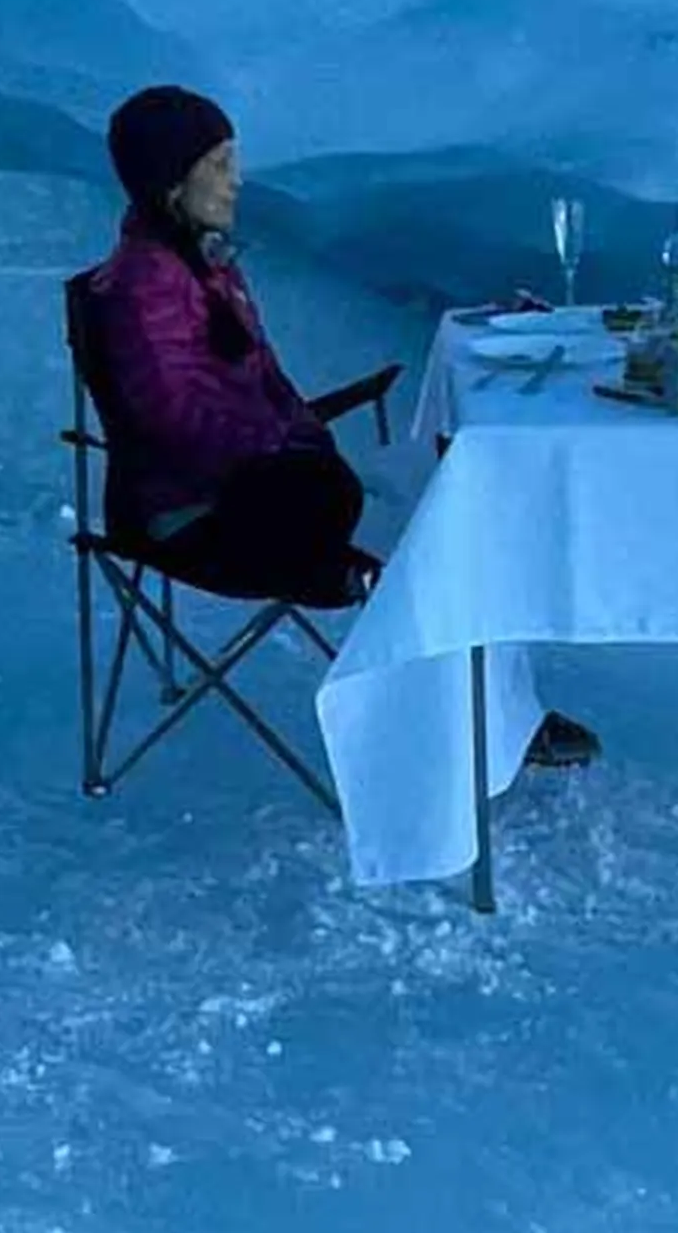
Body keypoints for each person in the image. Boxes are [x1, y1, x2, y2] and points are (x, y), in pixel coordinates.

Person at [79, 84, 598, 768]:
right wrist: (287, 451)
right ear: (171, 181)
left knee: (462, 479)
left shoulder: (201, 266)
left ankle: (494, 712)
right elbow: (176, 421)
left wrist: (298, 442)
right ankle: (474, 724)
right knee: (447, 523)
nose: (237, 180)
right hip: (205, 513)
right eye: (220, 163)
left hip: (268, 485)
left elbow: (259, 393)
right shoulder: (143, 288)